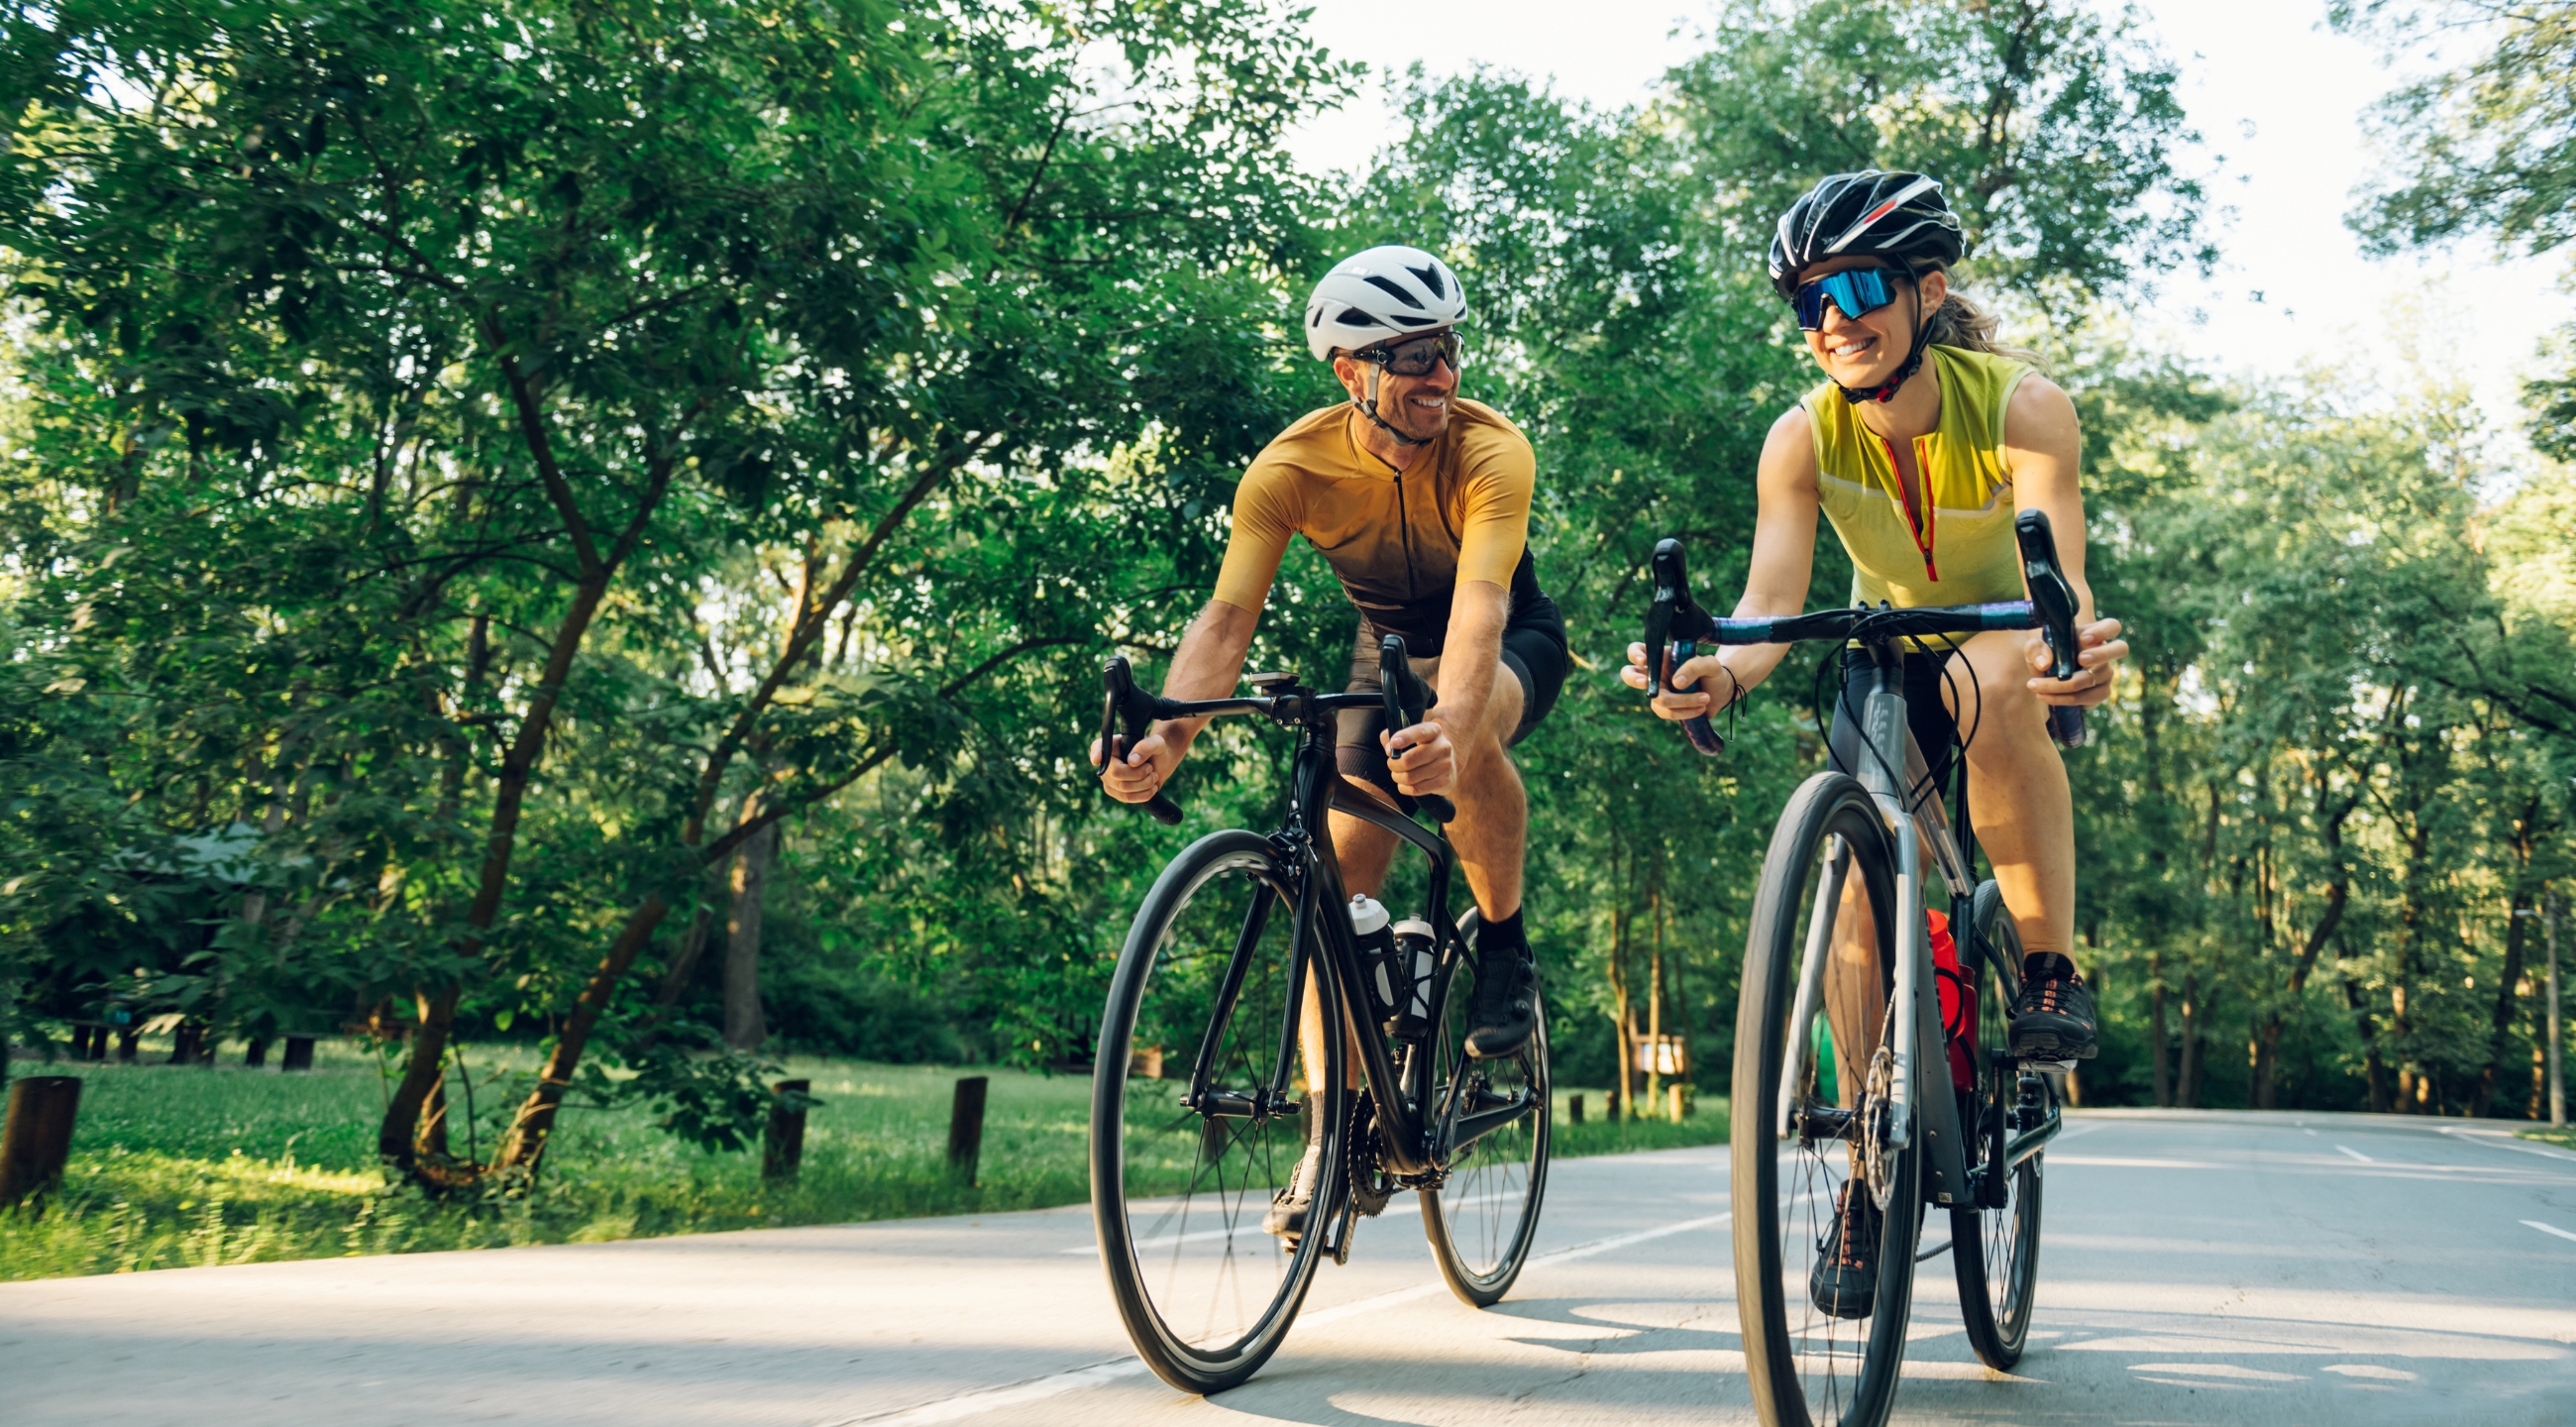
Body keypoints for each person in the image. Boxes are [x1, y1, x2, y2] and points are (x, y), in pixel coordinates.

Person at [1621, 171, 2128, 1317]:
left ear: (1924, 288)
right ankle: (1864, 1160)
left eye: (1854, 288)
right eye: (1807, 302)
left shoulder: (2021, 406)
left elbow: (2066, 584)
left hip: (2003, 654)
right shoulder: (1797, 439)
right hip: (1879, 658)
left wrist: (2074, 652)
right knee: (1852, 884)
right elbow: (1763, 608)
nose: (1832, 320)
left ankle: (2045, 963)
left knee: (1997, 678)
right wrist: (1710, 675)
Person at [1097, 244, 1569, 1240]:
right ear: (1350, 372)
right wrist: (1171, 737)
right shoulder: (1290, 468)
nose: (1440, 374)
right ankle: (1325, 1141)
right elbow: (1225, 624)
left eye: (1446, 348)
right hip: (1384, 647)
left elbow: (1480, 613)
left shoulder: (1491, 451)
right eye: (1410, 357)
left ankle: (1503, 944)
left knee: (1457, 713)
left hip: (1504, 634)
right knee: (1333, 899)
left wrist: (1450, 726)